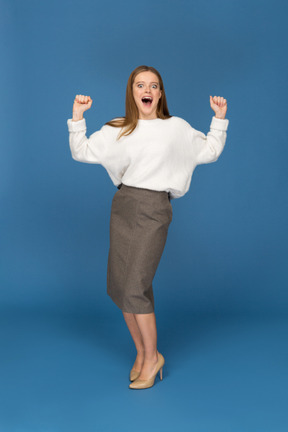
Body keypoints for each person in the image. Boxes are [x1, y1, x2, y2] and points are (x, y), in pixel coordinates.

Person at [67, 65, 229, 390]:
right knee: (120, 286)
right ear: (132, 92)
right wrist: (78, 116)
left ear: (160, 94)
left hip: (154, 208)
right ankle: (142, 353)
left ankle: (153, 358)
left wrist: (219, 119)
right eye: (141, 85)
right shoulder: (119, 128)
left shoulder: (176, 128)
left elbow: (209, 150)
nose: (148, 90)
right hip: (124, 205)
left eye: (153, 86)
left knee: (135, 286)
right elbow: (81, 151)